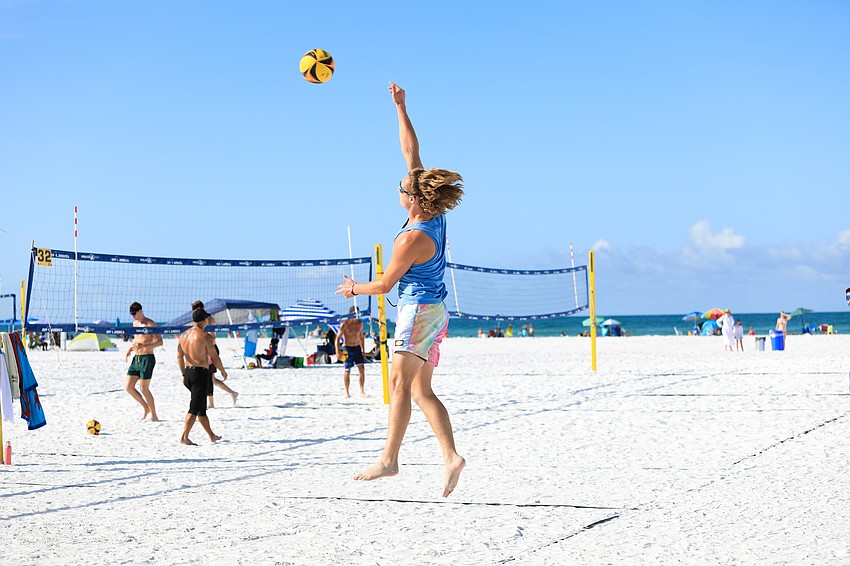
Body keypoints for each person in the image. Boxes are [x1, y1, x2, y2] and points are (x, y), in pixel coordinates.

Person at [335, 81, 465, 498]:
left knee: (398, 384)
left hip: (419, 311)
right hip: (434, 310)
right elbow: (411, 152)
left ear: (413, 198)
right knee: (420, 390)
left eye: (401, 188)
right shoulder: (432, 213)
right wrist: (401, 107)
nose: (398, 188)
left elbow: (386, 284)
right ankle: (451, 457)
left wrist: (355, 288)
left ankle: (389, 459)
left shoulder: (411, 238)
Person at [177, 308, 227, 445]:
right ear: (204, 320)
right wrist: (222, 370)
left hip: (188, 373)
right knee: (194, 408)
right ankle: (184, 437)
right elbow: (215, 357)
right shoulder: (205, 336)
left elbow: (179, 357)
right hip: (200, 374)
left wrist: (183, 374)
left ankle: (211, 436)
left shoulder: (183, 335)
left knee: (201, 408)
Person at [191, 301, 238, 407]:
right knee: (211, 379)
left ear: (199, 309)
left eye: (195, 310)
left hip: (210, 349)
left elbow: (212, 337)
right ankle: (232, 393)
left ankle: (211, 403)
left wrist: (208, 355)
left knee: (209, 378)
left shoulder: (208, 319)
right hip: (204, 349)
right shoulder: (200, 319)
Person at [124, 302, 163, 421]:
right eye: (131, 314)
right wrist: (130, 348)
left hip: (147, 358)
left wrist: (145, 346)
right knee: (128, 387)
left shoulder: (150, 324)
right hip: (137, 358)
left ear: (140, 311)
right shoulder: (135, 323)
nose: (132, 316)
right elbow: (137, 340)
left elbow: (160, 342)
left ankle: (154, 415)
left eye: (134, 313)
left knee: (144, 388)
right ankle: (146, 408)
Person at [336, 314, 367, 398]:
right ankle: (347, 392)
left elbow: (361, 337)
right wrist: (338, 351)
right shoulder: (345, 324)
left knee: (362, 369)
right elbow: (338, 338)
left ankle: (362, 391)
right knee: (347, 370)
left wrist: (363, 350)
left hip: (357, 348)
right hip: (347, 348)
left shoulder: (360, 323)